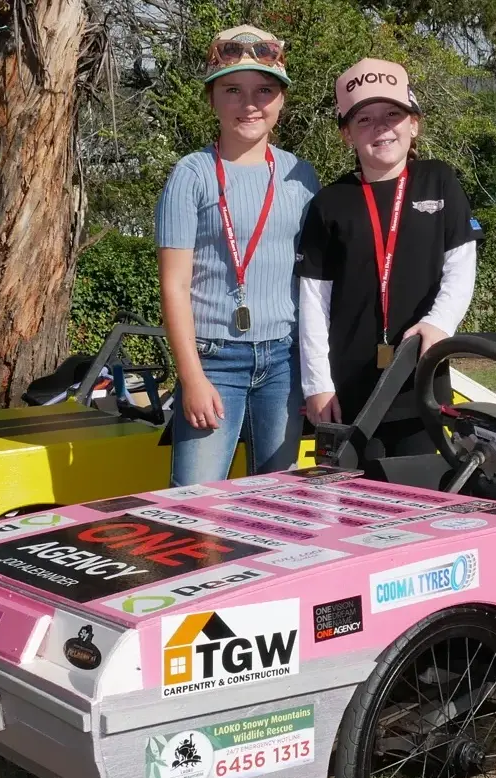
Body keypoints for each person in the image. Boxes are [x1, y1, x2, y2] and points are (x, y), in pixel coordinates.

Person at [154, 25, 320, 486]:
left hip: (283, 364)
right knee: (195, 502)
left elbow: (314, 280)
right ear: (212, 99)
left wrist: (314, 371)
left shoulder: (301, 176)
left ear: (281, 102)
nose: (249, 104)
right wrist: (191, 378)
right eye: (233, 90)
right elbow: (175, 285)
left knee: (280, 500)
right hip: (214, 361)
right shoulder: (191, 174)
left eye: (264, 90)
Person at [296, 57, 483, 456]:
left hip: (421, 382)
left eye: (392, 114)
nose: (380, 127)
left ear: (413, 124)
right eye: (364, 120)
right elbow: (313, 302)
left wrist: (439, 322)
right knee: (351, 508)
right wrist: (317, 384)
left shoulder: (439, 180)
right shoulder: (328, 203)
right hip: (348, 393)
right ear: (347, 134)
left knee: (418, 500)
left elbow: (461, 265)